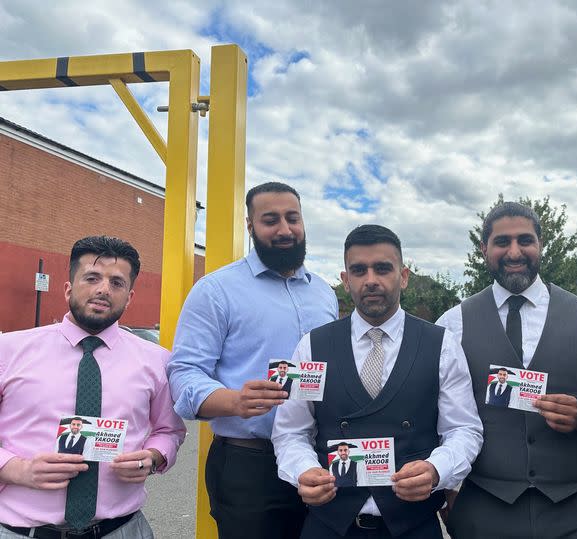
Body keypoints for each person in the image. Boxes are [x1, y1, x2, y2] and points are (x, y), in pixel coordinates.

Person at [272, 224, 483, 539]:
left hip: (414, 527)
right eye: (359, 270)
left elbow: (464, 429)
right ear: (346, 280)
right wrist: (302, 470)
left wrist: (438, 469)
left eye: (383, 268)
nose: (370, 280)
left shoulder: (443, 345)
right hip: (330, 526)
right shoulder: (311, 346)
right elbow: (290, 431)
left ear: (404, 276)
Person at [437, 202, 577, 538]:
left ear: (540, 245)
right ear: (484, 250)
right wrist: (447, 492)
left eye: (525, 240)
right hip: (483, 512)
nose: (514, 251)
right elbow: (439, 415)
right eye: (502, 242)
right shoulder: (452, 325)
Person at [167, 181, 338, 539]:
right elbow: (184, 374)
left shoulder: (324, 293)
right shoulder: (216, 291)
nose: (285, 229)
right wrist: (236, 401)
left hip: (320, 459)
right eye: (270, 220)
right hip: (250, 464)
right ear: (250, 226)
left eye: (293, 218)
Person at [0, 235, 186, 538]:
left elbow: (170, 431)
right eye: (92, 278)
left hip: (121, 530)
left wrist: (152, 458)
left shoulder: (156, 362)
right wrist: (14, 469)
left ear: (129, 297)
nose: (103, 289)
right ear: (68, 288)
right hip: (20, 531)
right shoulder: (8, 351)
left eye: (117, 283)